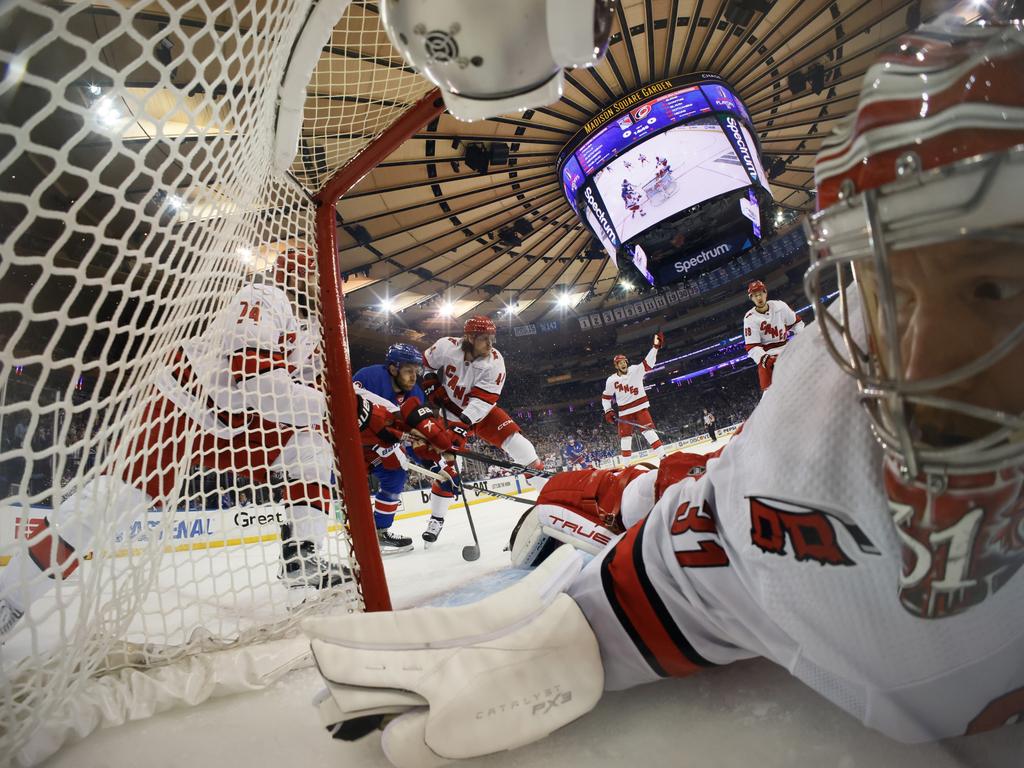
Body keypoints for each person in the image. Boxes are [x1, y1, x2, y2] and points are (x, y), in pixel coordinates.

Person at [303, 17, 1024, 764]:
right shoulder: (818, 410)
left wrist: (448, 435)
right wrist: (593, 625)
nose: (918, 353)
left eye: (993, 286)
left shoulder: (786, 374)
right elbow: (729, 551)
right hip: (455, 428)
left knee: (560, 459)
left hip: (480, 425)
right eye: (888, 290)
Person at [0, 249, 349, 638]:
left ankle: (302, 559)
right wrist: (342, 410)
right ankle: (9, 595)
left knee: (310, 448)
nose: (327, 285)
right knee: (110, 504)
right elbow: (259, 385)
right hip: (184, 407)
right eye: (320, 276)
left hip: (237, 424)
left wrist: (359, 410)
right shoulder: (262, 296)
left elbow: (315, 397)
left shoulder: (320, 331)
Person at [420, 315, 545, 544]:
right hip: (450, 413)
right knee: (448, 469)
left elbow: (482, 401)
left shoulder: (495, 361)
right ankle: (436, 520)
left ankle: (548, 497)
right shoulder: (446, 346)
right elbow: (425, 362)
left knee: (523, 449)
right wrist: (429, 380)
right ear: (469, 337)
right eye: (484, 339)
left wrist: (462, 427)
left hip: (483, 412)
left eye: (492, 338)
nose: (490, 344)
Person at [353, 343, 456, 554]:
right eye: (408, 370)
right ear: (393, 368)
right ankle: (299, 540)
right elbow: (354, 406)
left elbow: (415, 438)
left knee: (396, 475)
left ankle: (380, 531)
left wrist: (437, 470)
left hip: (381, 446)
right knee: (326, 485)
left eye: (416, 371)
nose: (413, 376)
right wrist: (394, 420)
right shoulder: (370, 376)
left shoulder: (415, 392)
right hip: (352, 444)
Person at [602, 332, 665, 459]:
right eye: (620, 363)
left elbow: (648, 363)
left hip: (640, 408)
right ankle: (626, 467)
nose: (623, 364)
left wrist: (655, 347)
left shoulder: (635, 369)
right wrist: (608, 411)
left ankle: (663, 457)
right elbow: (606, 398)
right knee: (625, 439)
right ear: (616, 366)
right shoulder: (611, 380)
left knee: (649, 433)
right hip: (625, 413)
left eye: (624, 362)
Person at [743, 279, 804, 391]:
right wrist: (765, 359)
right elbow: (752, 347)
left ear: (765, 293)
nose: (759, 298)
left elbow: (797, 323)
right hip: (768, 356)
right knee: (769, 395)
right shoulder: (750, 318)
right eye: (755, 295)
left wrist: (801, 338)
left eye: (760, 293)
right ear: (751, 298)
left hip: (787, 349)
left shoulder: (780, 306)